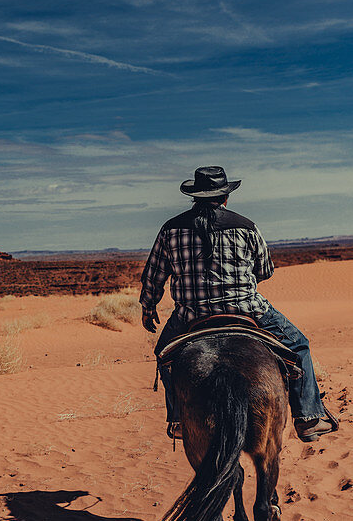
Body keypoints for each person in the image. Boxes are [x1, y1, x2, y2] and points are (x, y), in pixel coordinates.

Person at [139, 166, 338, 442]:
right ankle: (307, 418)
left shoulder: (170, 229)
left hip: (190, 315)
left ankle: (178, 420)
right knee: (299, 345)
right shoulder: (246, 226)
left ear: (195, 197)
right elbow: (265, 270)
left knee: (165, 356)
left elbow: (153, 276)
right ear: (225, 197)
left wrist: (148, 307)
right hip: (247, 309)